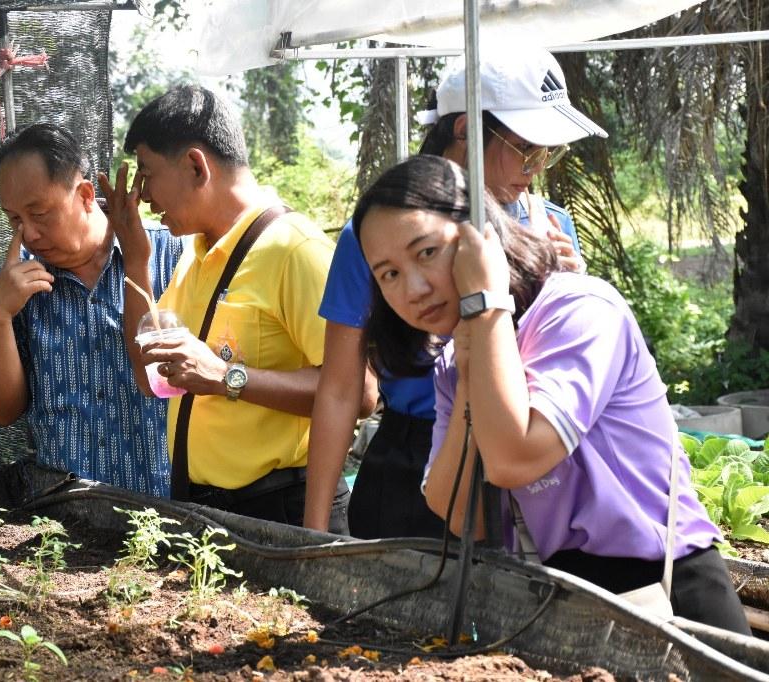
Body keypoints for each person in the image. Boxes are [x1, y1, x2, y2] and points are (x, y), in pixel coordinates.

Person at [352, 153, 750, 635]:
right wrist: (472, 365)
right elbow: (460, 514)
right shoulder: (455, 360)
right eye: (389, 274)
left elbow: (513, 459)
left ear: (481, 239)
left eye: (427, 252)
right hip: (560, 600)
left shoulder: (578, 312)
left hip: (667, 591)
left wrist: (488, 304)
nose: (413, 289)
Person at [305, 46, 603, 537]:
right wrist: (315, 534)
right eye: (526, 149)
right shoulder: (376, 236)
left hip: (525, 453)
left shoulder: (550, 228)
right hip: (412, 461)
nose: (535, 168)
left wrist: (566, 286)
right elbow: (339, 388)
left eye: (547, 153)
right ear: (464, 130)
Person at [100, 84, 355, 532]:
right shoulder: (194, 254)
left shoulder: (295, 249)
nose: (143, 195)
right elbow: (149, 378)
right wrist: (136, 260)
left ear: (195, 166)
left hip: (281, 509)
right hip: (205, 510)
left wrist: (225, 377)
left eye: (147, 173)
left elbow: (360, 392)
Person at [0, 123, 182, 497]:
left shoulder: (172, 255)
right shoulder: (13, 285)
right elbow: (1, 411)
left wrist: (137, 266)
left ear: (85, 195)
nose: (29, 234)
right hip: (63, 515)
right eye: (15, 219)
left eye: (39, 213)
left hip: (167, 507)